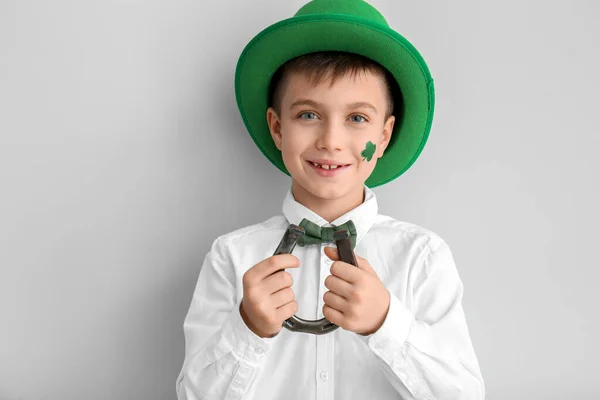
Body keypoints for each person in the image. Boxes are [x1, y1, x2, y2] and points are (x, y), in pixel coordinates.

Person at [176, 0, 485, 398]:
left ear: (385, 136)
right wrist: (247, 328)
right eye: (308, 115)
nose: (331, 142)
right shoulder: (231, 256)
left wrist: (386, 323)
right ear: (277, 127)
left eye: (357, 118)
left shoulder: (422, 257)